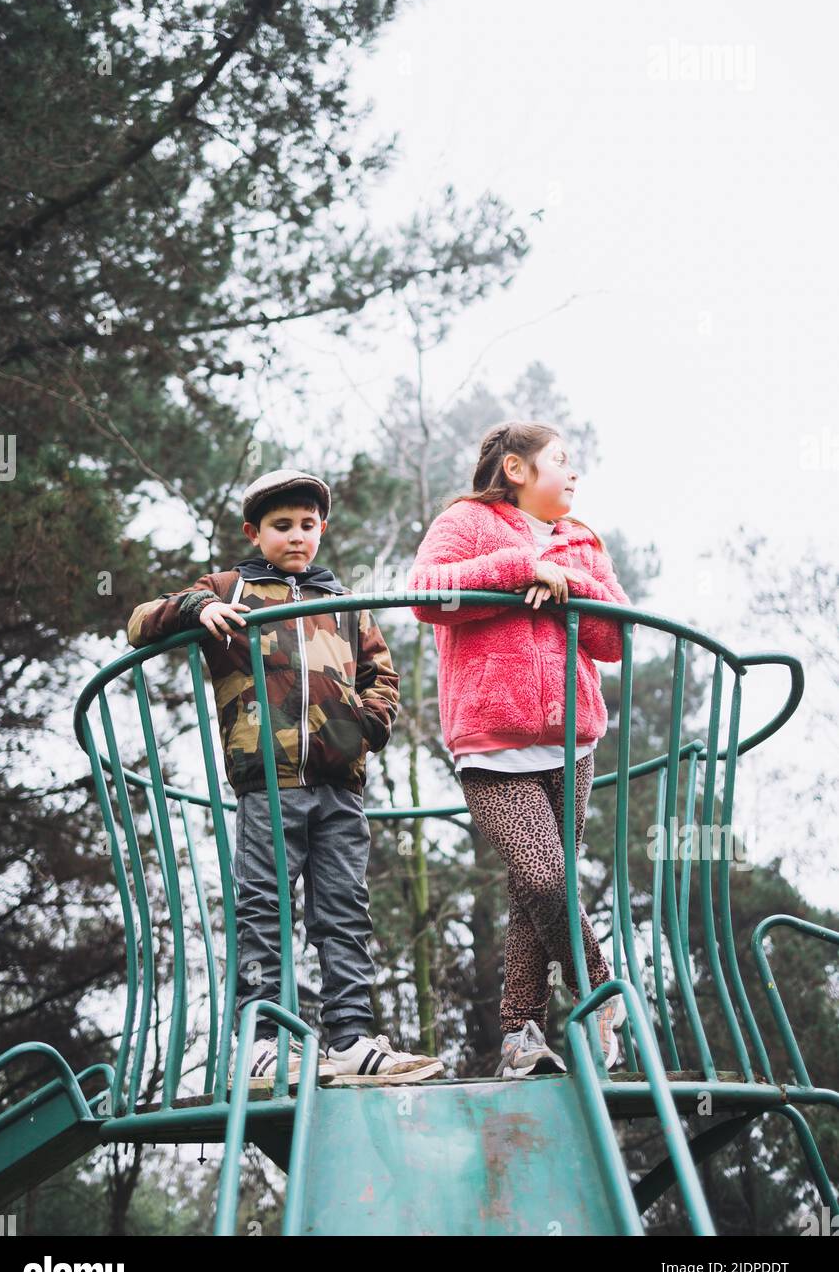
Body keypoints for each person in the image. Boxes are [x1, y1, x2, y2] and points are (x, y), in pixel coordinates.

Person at [127, 468, 443, 1089]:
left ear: (321, 529)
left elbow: (382, 676)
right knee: (266, 906)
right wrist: (201, 607)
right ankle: (263, 1039)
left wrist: (364, 729)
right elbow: (140, 622)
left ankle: (351, 1038)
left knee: (345, 909)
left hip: (340, 787)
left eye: (307, 525)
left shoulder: (343, 605)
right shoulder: (231, 588)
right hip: (269, 784)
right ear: (255, 532)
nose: (296, 537)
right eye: (281, 527)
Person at [407, 423, 629, 1077]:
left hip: (573, 740)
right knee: (542, 878)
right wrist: (517, 571)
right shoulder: (468, 521)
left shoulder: (582, 539)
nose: (574, 473)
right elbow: (425, 593)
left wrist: (566, 581)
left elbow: (614, 638)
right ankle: (596, 985)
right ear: (515, 468)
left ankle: (520, 1037)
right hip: (490, 741)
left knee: (533, 897)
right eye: (560, 461)